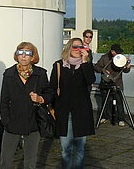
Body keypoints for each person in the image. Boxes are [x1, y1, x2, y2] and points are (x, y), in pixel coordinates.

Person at [0, 42, 53, 169]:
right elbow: (4, 101)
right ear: (16, 55)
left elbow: (50, 93)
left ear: (33, 56)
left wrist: (41, 98)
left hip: (33, 122)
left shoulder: (40, 74)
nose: (23, 56)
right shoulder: (9, 74)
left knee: (30, 162)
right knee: (5, 161)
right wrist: (6, 121)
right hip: (13, 122)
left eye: (27, 53)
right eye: (20, 52)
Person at [50, 38, 95, 169]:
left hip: (82, 112)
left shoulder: (86, 65)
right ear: (69, 48)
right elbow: (53, 87)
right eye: (75, 47)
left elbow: (90, 80)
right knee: (65, 150)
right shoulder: (59, 65)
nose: (78, 50)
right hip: (64, 111)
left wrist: (86, 62)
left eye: (81, 47)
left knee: (80, 150)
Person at [94, 44, 131, 126]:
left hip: (117, 83)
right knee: (106, 101)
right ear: (112, 51)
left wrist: (127, 66)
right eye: (116, 52)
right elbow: (96, 67)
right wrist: (103, 71)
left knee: (119, 101)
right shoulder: (104, 58)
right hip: (106, 83)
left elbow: (125, 71)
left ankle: (121, 119)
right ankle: (105, 117)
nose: (118, 54)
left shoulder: (121, 58)